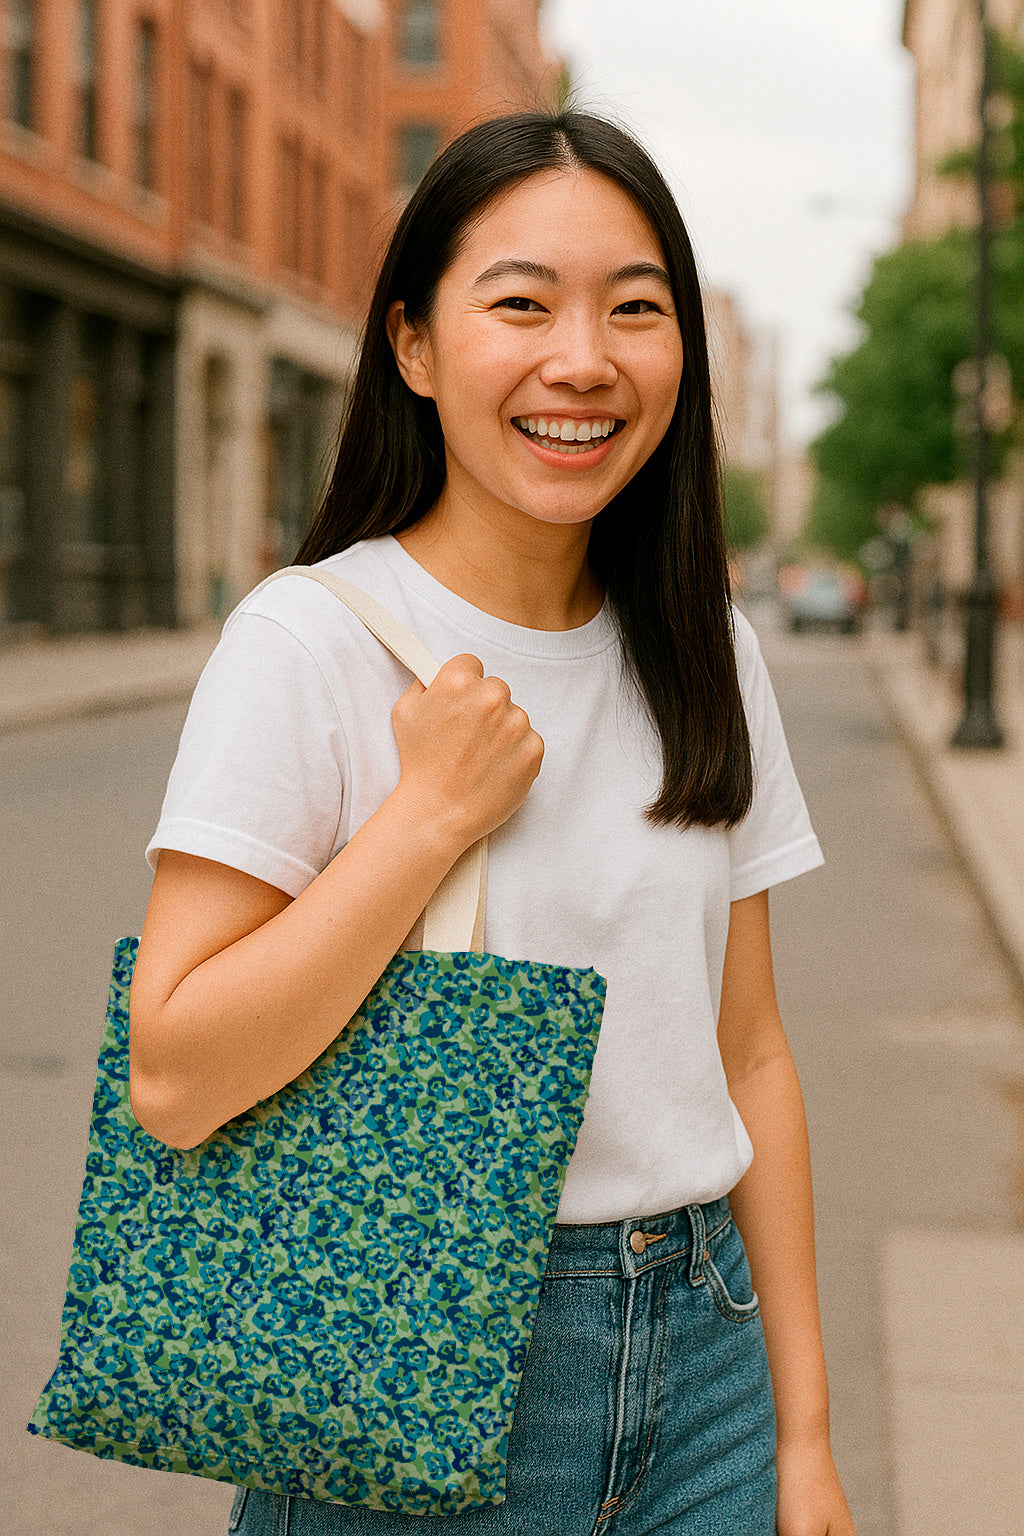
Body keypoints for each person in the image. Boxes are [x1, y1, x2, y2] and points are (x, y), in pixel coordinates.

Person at [128, 111, 855, 1536]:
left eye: (635, 309)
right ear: (413, 345)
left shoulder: (705, 647)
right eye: (521, 304)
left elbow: (751, 1052)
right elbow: (175, 1072)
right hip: (413, 1341)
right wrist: (424, 822)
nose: (582, 361)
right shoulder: (311, 641)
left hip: (705, 1365)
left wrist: (805, 1434)